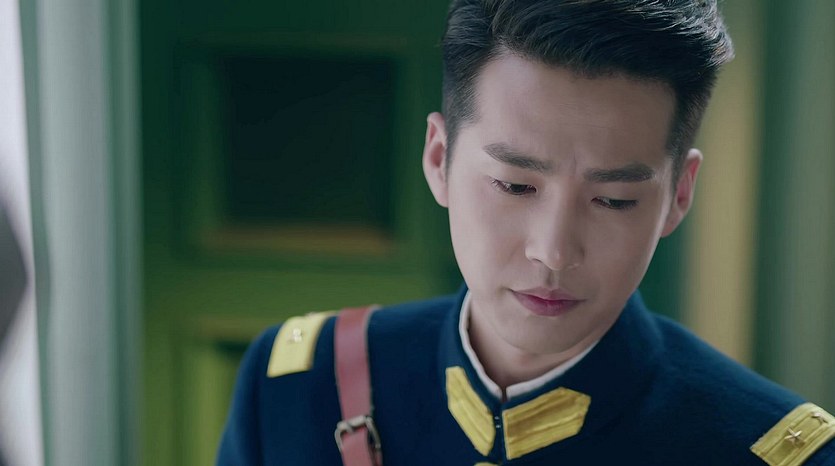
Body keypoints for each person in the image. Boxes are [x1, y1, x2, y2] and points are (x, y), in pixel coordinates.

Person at [217, 0, 835, 464]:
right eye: (515, 186)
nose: (554, 252)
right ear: (439, 159)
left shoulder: (769, 449)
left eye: (614, 199)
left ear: (679, 195)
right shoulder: (301, 388)